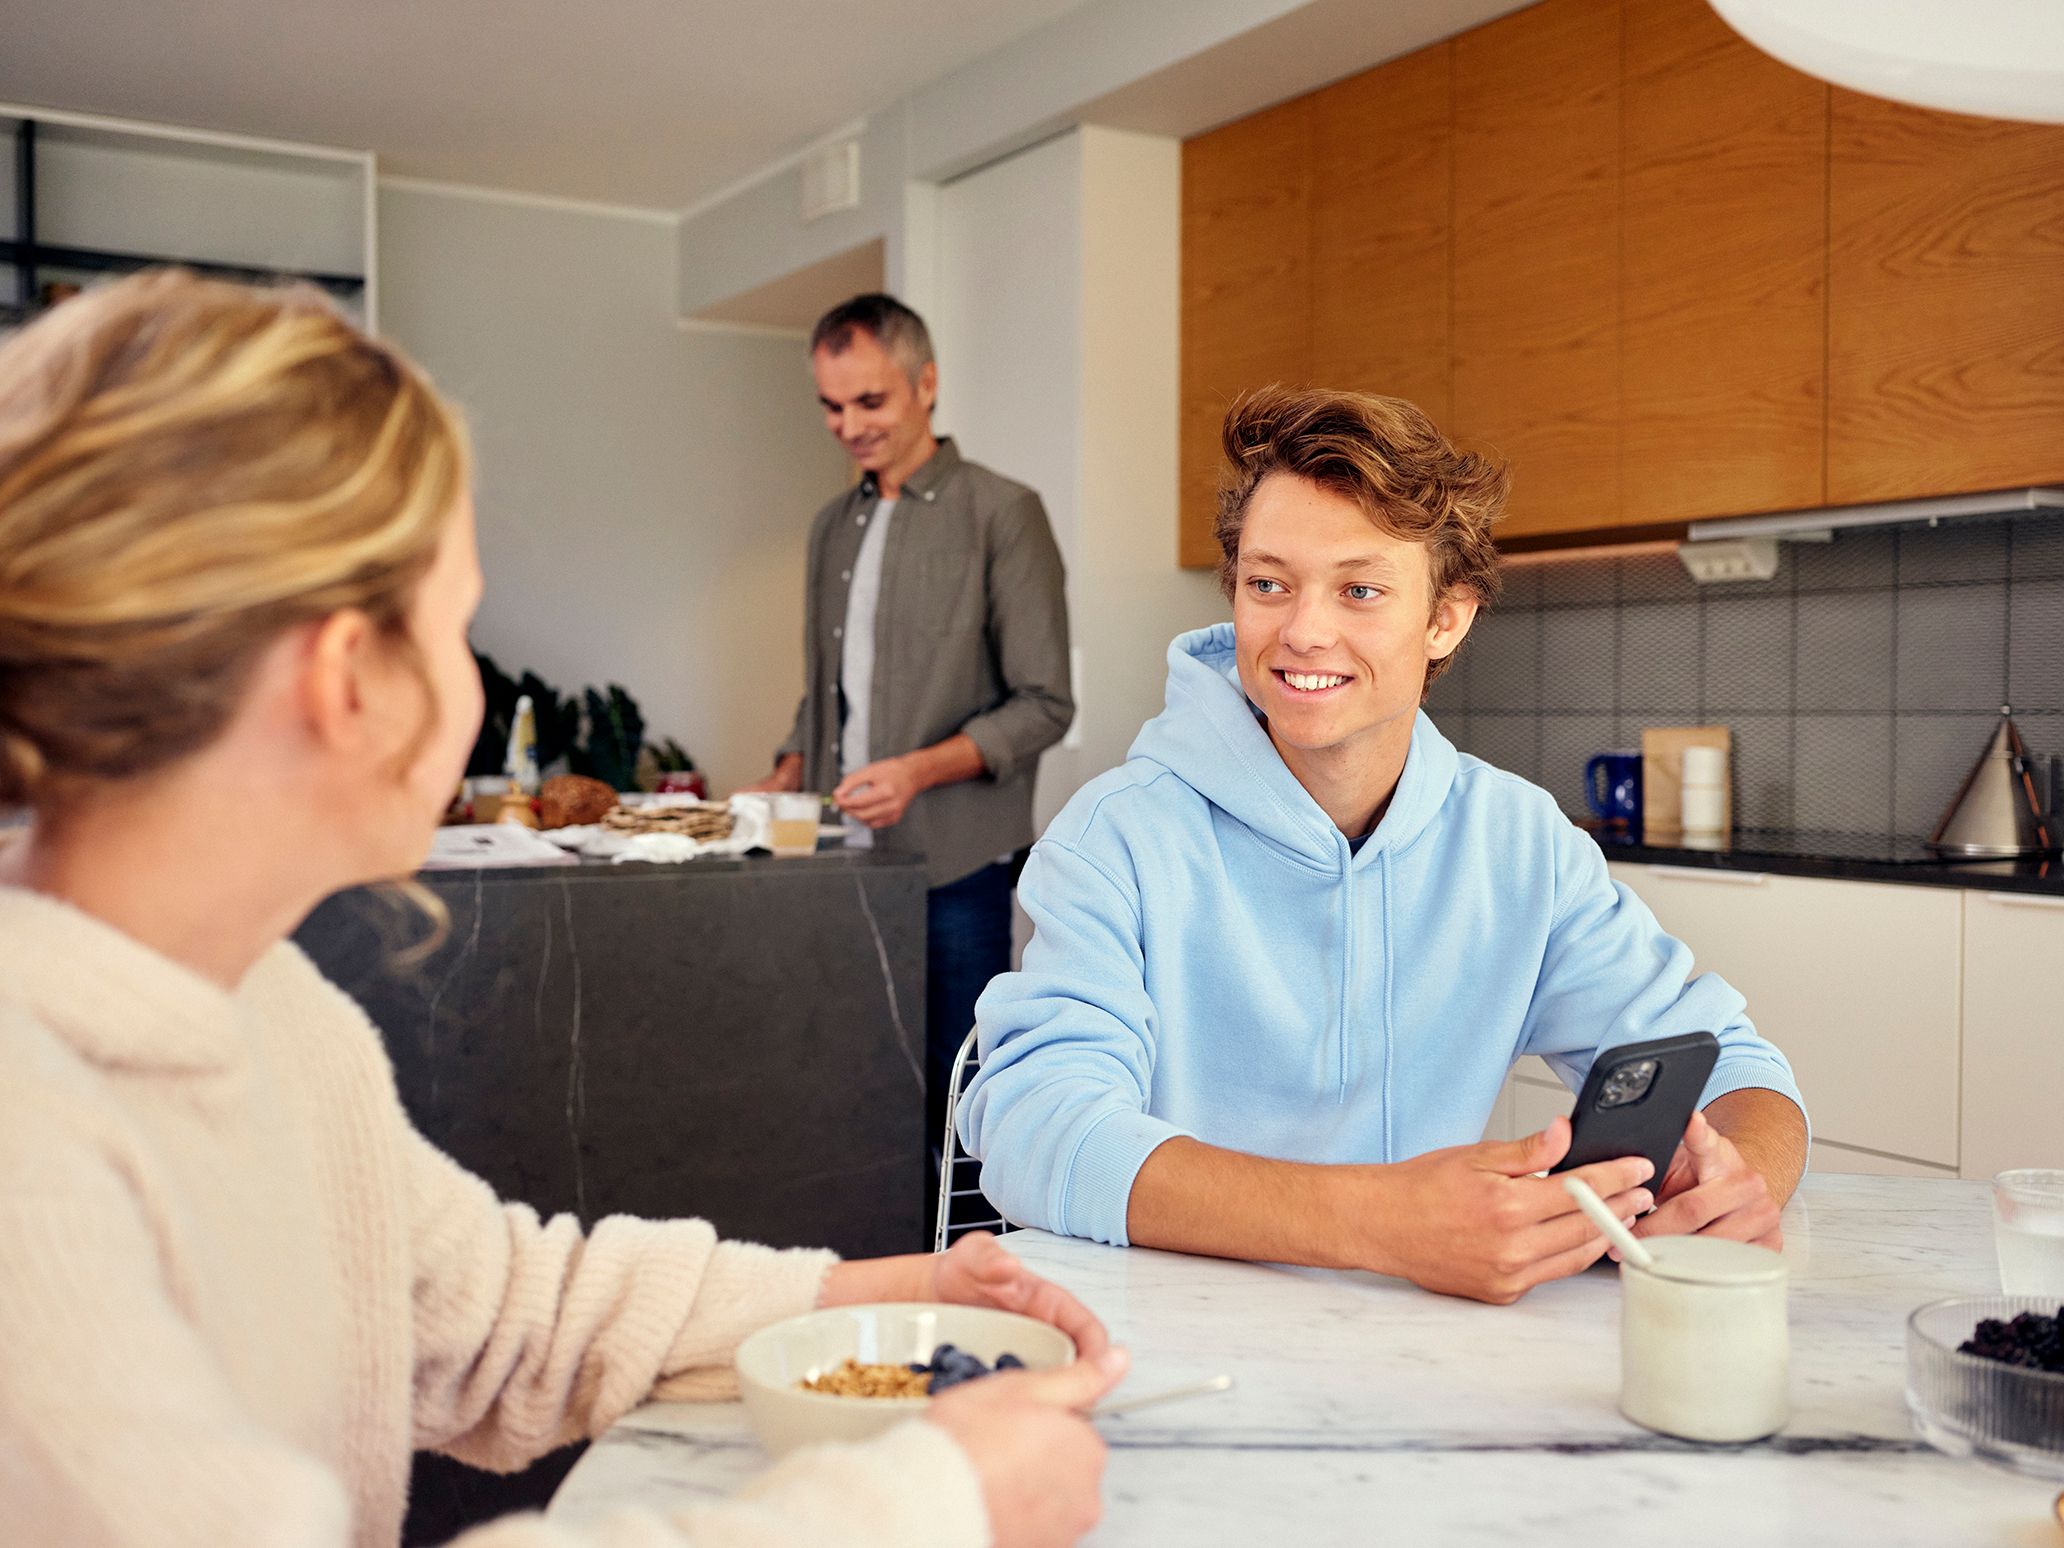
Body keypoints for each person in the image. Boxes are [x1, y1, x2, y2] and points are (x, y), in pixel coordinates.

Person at [0, 270, 1123, 1548]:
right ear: (341, 680)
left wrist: (898, 1288)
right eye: (457, 629)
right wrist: (927, 1505)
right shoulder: (28, 1154)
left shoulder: (274, 1010)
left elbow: (502, 1312)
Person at [958, 386, 1809, 1306]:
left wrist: (1738, 1184)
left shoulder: (1519, 844)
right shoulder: (1115, 836)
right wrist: (1381, 1225)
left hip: (1426, 1347)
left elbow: (1732, 1062)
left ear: (1448, 617)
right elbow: (1036, 1131)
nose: (1302, 631)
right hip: (1169, 1342)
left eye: (1359, 590)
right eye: (1267, 583)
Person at [742, 294, 1072, 1176]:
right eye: (831, 405)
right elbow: (828, 692)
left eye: (870, 402)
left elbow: (1045, 703)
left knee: (960, 1097)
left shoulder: (1002, 514)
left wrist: (918, 773)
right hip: (835, 859)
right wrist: (789, 766)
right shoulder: (829, 527)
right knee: (853, 1085)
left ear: (926, 384)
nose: (848, 426)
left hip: (953, 870)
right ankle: (885, 1279)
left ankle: (977, 1277)